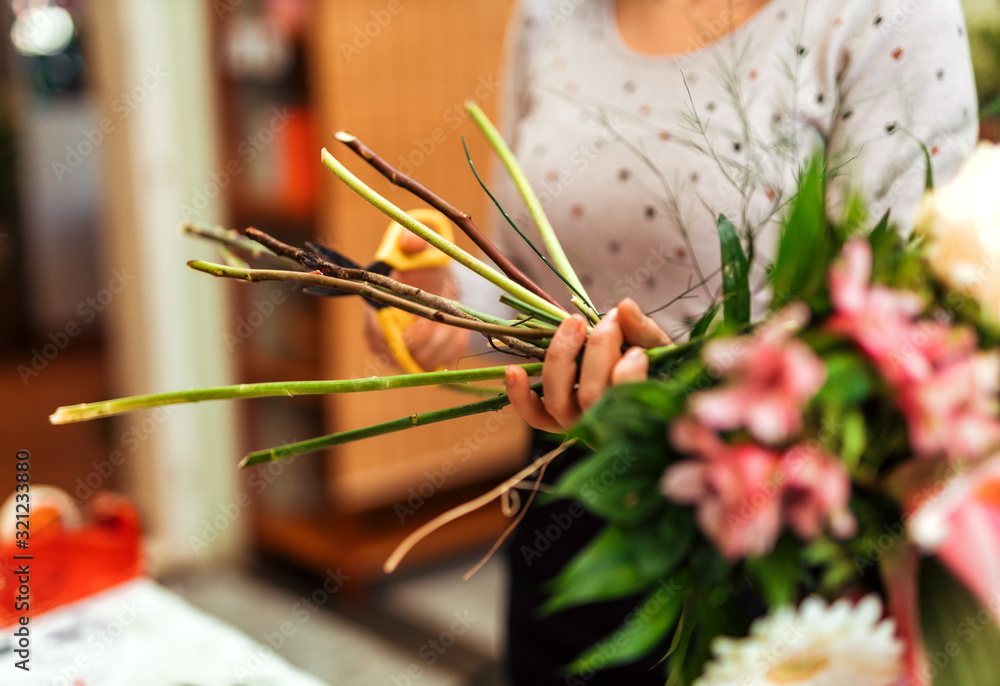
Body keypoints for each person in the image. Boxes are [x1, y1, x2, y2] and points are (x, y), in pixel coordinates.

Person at [367, 0, 979, 683]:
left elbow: (904, 347)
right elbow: (524, 280)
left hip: (779, 547)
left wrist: (675, 406)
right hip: (572, 511)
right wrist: (449, 310)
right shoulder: (550, 14)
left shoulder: (884, 17)